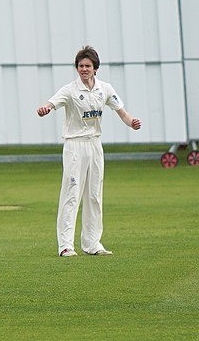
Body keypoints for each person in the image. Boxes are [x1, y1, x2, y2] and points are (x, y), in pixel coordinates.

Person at [36, 46, 142, 257]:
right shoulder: (69, 90)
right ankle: (65, 245)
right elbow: (51, 103)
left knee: (94, 195)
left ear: (95, 69)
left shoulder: (105, 89)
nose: (84, 69)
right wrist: (45, 108)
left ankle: (92, 243)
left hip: (95, 144)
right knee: (71, 194)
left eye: (88, 66)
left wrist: (132, 122)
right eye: (81, 66)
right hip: (75, 145)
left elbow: (121, 112)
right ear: (77, 68)